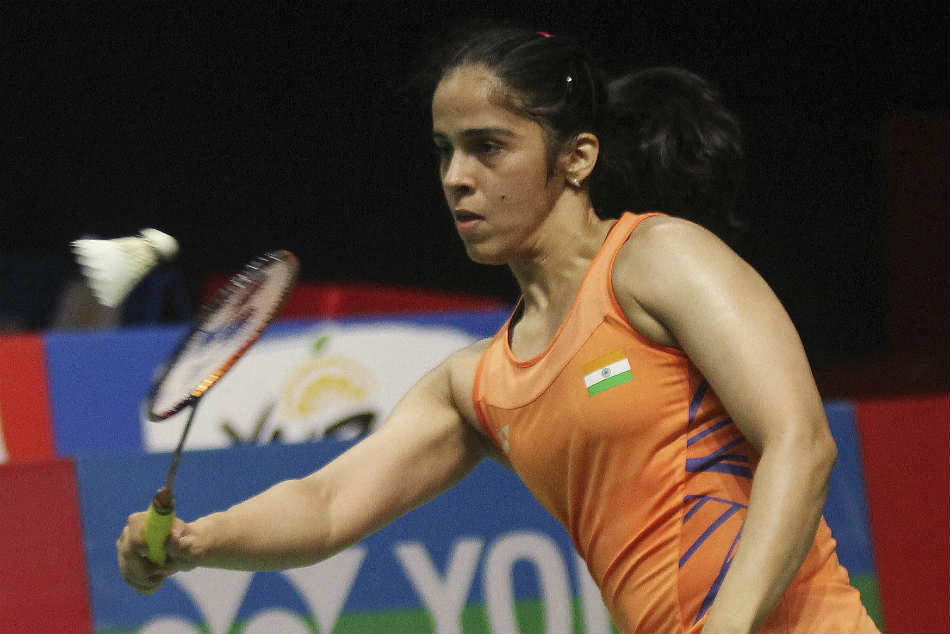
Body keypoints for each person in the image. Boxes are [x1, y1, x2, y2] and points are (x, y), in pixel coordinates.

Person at [117, 25, 879, 633]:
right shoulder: (477, 384)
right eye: (444, 150)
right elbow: (327, 504)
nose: (456, 176)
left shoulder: (656, 260)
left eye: (488, 147)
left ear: (576, 157)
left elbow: (801, 443)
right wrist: (198, 542)